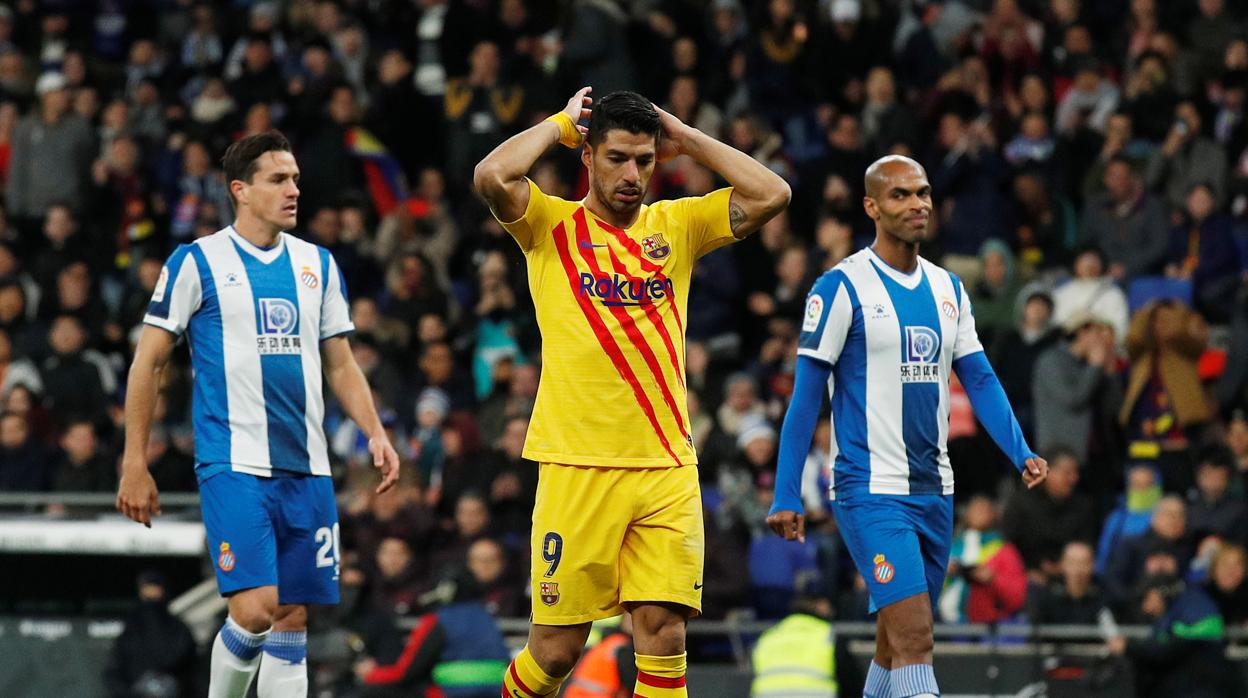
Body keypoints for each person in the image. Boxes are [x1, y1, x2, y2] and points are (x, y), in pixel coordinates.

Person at [472, 87, 790, 698]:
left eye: (645, 160)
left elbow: (772, 193)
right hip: (576, 466)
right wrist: (560, 122)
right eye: (617, 157)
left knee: (664, 635)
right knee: (556, 653)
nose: (633, 174)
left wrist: (685, 134)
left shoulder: (679, 225)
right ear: (587, 157)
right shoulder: (549, 226)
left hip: (666, 464)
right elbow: (492, 174)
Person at [116, 130, 400, 698]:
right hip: (234, 462)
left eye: (295, 177)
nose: (294, 189)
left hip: (310, 468)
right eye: (279, 179)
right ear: (240, 190)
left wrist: (375, 431)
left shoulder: (317, 263)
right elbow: (148, 364)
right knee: (256, 609)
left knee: (292, 618)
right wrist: (134, 461)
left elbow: (340, 363)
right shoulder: (197, 261)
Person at [768, 155, 1048, 698]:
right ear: (872, 207)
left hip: (935, 489)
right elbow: (805, 400)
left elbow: (982, 381)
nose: (917, 203)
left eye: (922, 192)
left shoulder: (949, 289)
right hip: (870, 490)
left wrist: (1020, 451)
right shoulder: (840, 287)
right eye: (900, 195)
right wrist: (786, 492)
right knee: (917, 636)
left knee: (894, 644)